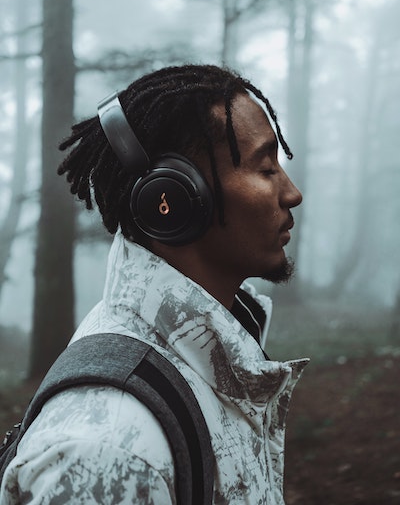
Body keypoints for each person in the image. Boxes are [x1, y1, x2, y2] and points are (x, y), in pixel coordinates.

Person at [1, 64, 309, 504]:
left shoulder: (210, 356)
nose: (291, 192)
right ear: (176, 199)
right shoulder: (111, 452)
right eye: (265, 169)